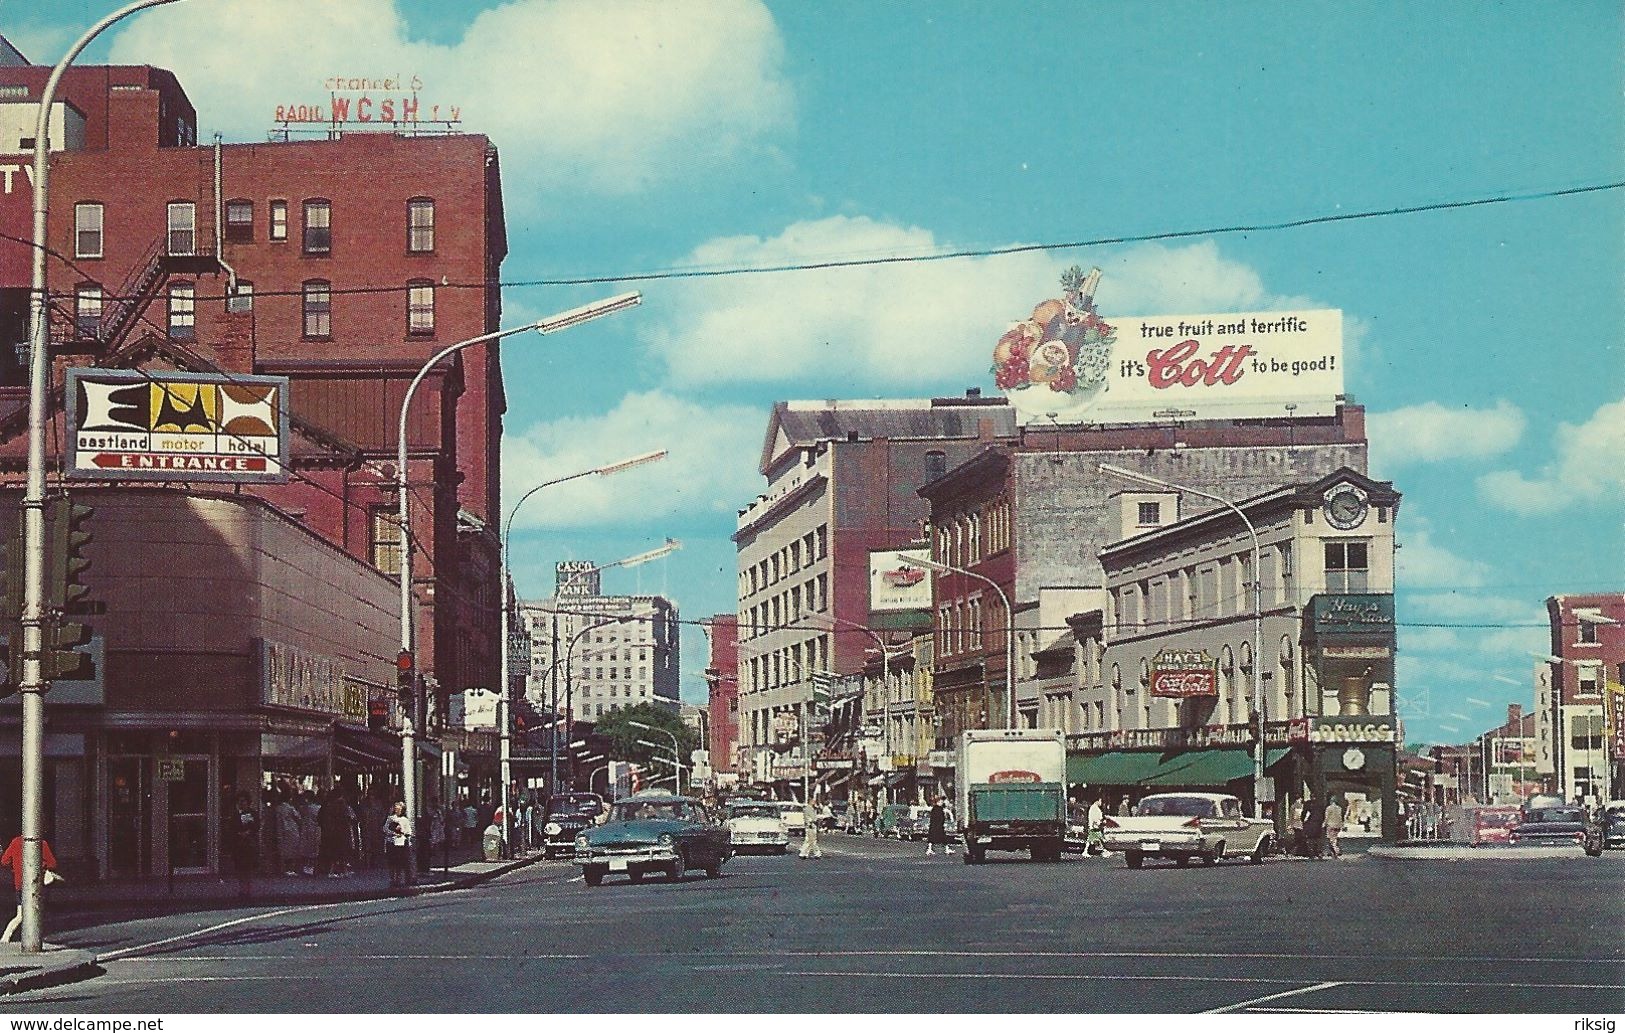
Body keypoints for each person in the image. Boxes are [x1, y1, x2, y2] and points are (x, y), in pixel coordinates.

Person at [0, 833, 58, 942]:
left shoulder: (15, 842)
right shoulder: (41, 843)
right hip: (36, 884)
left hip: (20, 884)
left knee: (20, 915)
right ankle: (34, 939)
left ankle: (6, 936)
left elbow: (4, 861)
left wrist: (15, 868)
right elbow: (52, 863)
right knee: (36, 911)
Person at [227, 793, 259, 898]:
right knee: (240, 868)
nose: (242, 803)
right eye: (240, 801)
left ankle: (248, 889)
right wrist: (238, 833)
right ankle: (242, 889)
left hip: (250, 844)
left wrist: (249, 832)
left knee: (248, 868)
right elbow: (231, 827)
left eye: (244, 801)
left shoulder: (253, 814)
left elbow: (256, 826)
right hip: (238, 844)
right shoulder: (235, 815)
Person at [384, 801, 413, 887]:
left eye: (399, 809)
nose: (397, 811)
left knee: (400, 862)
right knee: (391, 862)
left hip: (401, 843)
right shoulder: (390, 818)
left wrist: (402, 833)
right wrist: (393, 833)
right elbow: (385, 828)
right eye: (396, 809)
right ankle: (392, 879)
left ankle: (399, 879)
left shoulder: (405, 820)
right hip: (391, 842)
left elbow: (408, 832)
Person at [297, 791, 321, 876]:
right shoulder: (318, 808)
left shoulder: (304, 808)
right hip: (315, 829)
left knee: (306, 847)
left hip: (306, 829)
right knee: (314, 848)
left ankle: (307, 866)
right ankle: (312, 867)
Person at [1324, 794, 1345, 859]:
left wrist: (1324, 824)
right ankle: (1332, 852)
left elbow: (1327, 817)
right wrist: (1342, 825)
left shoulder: (1328, 808)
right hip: (1338, 825)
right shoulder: (1339, 808)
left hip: (1330, 825)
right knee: (1335, 838)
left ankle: (1336, 850)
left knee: (1331, 839)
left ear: (1331, 801)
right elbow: (1340, 817)